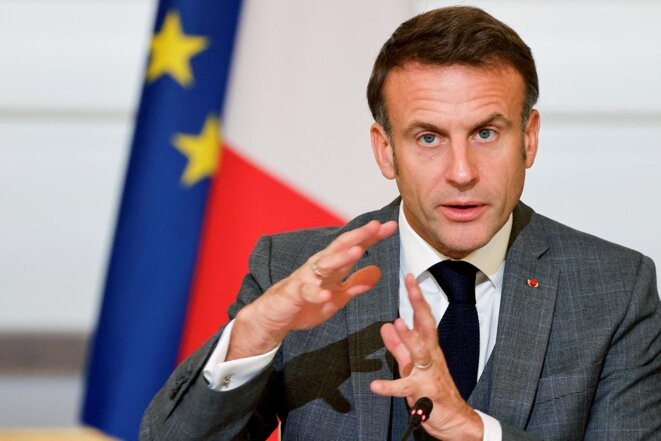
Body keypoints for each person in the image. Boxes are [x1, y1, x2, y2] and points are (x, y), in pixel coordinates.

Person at [140, 6, 661, 440]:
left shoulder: (616, 287)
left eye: (485, 133)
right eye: (428, 137)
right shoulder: (293, 272)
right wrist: (253, 334)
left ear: (529, 138)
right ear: (386, 151)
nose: (462, 173)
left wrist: (476, 430)